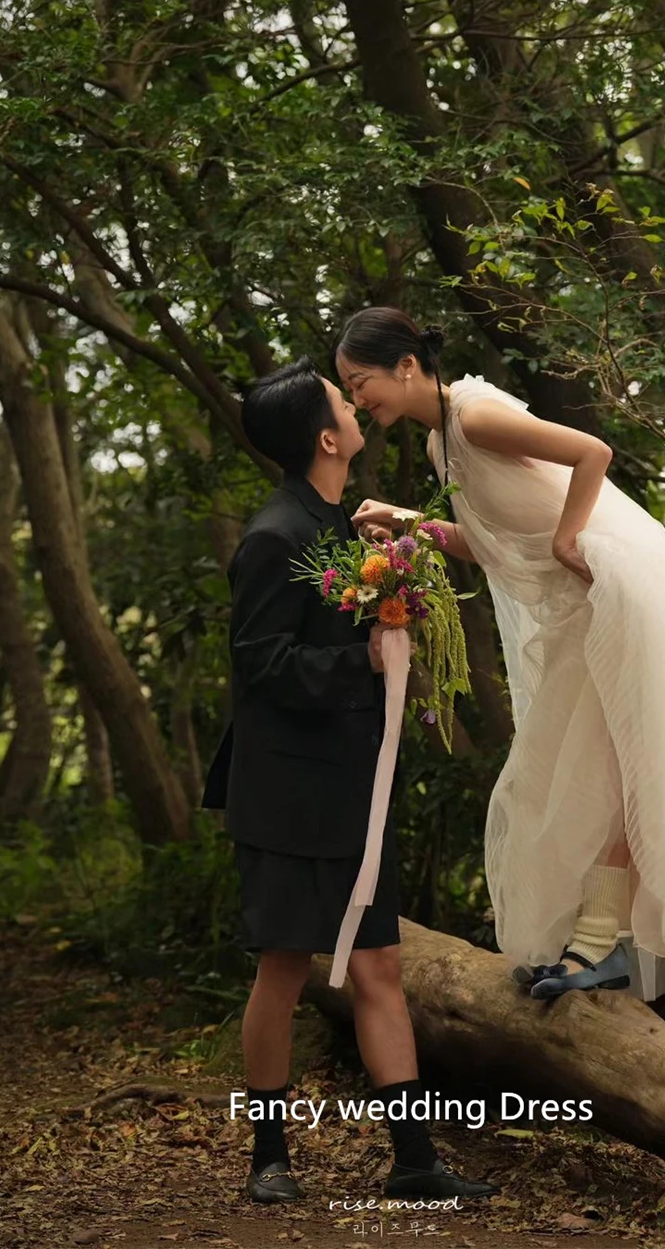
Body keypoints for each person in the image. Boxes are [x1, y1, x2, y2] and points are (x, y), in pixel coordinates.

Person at [334, 308, 665, 1004]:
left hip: (620, 583)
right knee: (576, 767)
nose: (359, 399)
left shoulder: (473, 416)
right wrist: (408, 522)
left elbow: (591, 451)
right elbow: (493, 545)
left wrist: (571, 540)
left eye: (360, 382)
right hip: (587, 600)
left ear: (407, 366)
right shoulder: (440, 447)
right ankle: (596, 942)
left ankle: (596, 945)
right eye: (349, 390)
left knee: (617, 765)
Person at [201, 357, 497, 1204]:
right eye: (343, 399)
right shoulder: (272, 536)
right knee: (285, 969)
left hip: (352, 789)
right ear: (328, 437)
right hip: (287, 792)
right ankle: (268, 1156)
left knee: (378, 968)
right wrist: (362, 657)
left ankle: (414, 1161)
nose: (355, 401)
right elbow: (261, 664)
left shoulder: (344, 528)